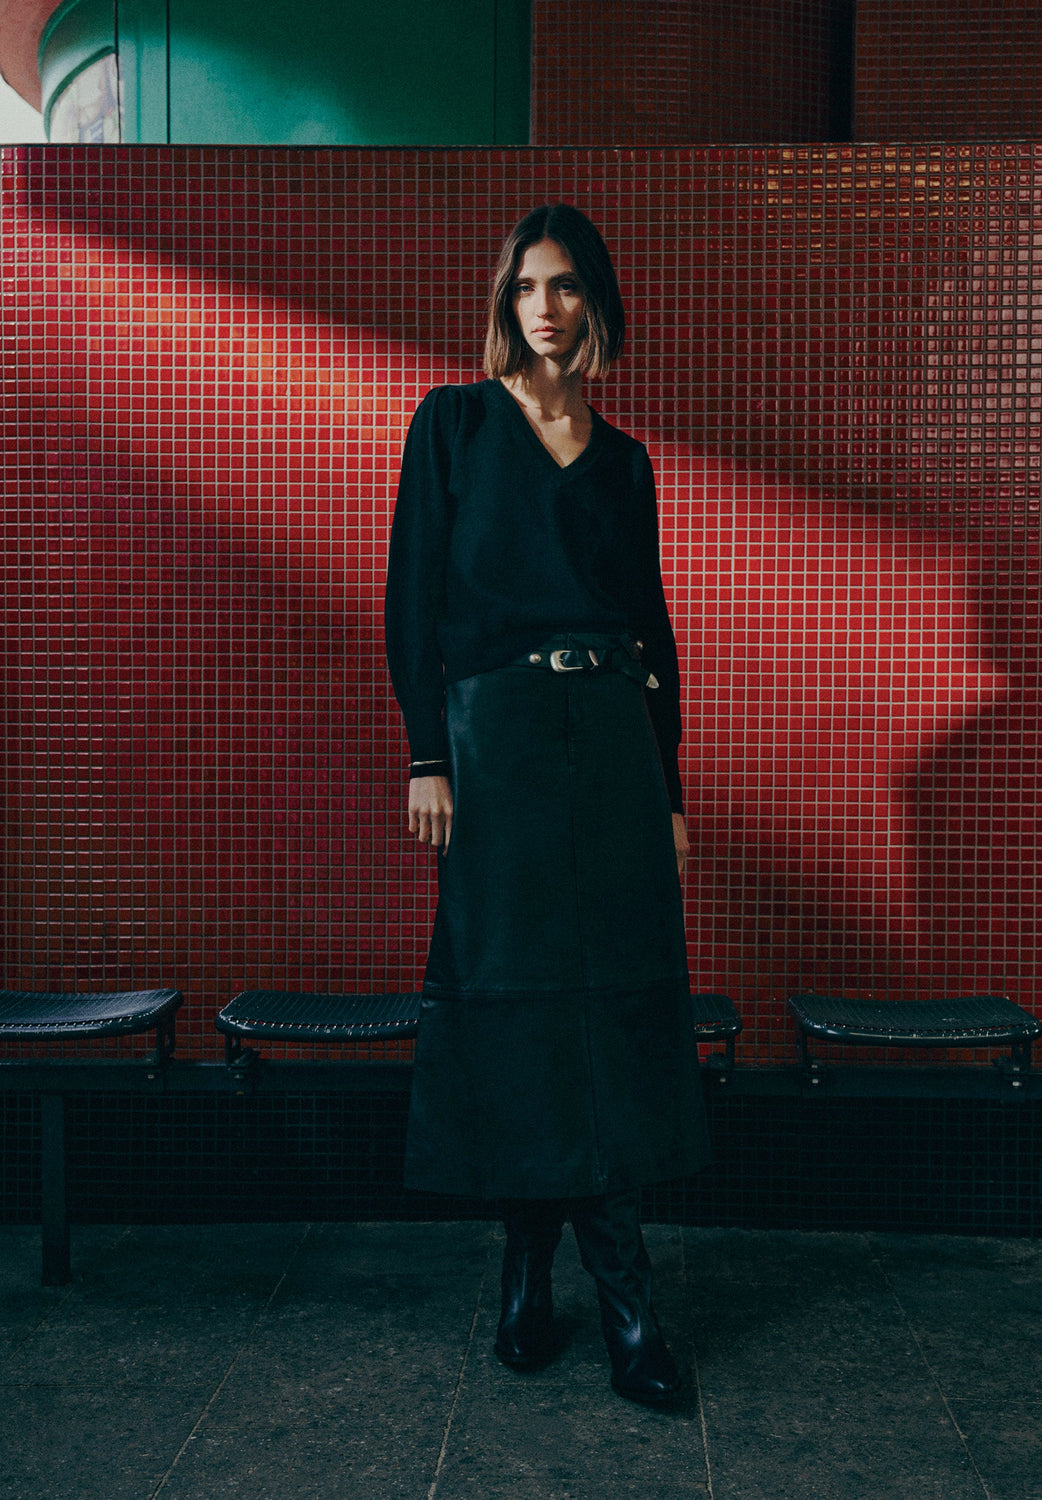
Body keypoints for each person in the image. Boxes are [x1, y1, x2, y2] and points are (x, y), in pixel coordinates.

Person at [384, 203, 710, 1406]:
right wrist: (428, 757)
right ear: (504, 300)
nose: (545, 307)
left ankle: (610, 1297)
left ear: (595, 303)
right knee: (518, 1005)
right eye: (527, 286)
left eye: (565, 285)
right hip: (497, 745)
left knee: (611, 1010)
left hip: (613, 745)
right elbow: (410, 600)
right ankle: (547, 1275)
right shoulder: (455, 423)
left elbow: (651, 630)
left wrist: (669, 788)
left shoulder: (624, 463)